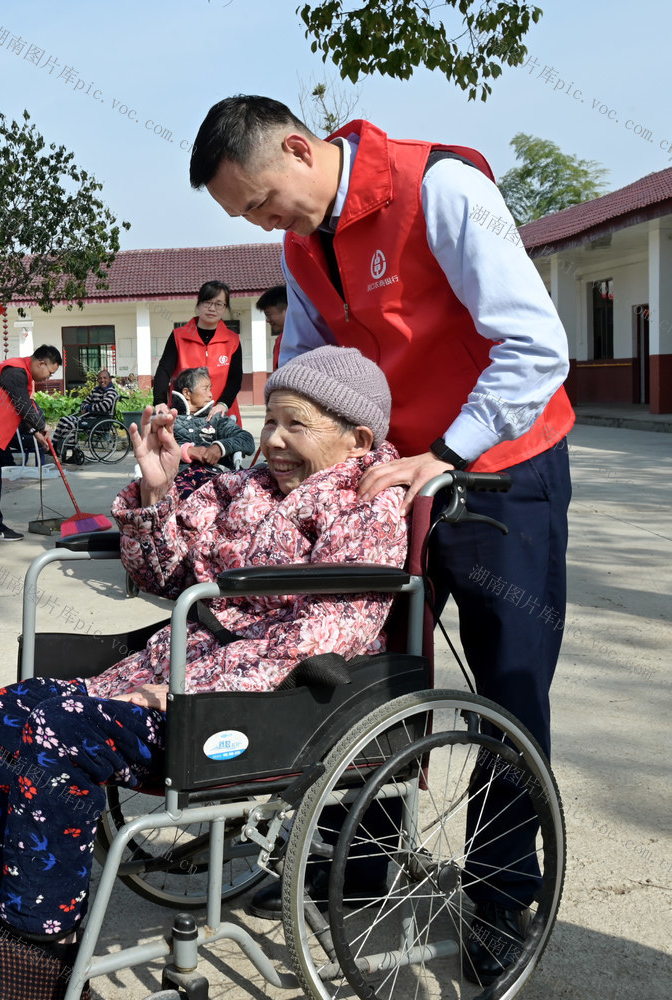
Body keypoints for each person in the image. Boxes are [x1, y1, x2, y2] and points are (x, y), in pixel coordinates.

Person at [0, 346, 407, 1000]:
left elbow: (328, 631)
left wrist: (194, 689)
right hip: (177, 668)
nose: (271, 440)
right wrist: (159, 492)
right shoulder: (246, 489)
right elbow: (159, 576)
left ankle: (38, 951)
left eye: (294, 426)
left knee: (49, 736)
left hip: (248, 707)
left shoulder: (366, 503)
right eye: (268, 421)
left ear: (357, 437)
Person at [189, 95, 574, 985]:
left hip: (499, 467)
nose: (261, 221)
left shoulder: (441, 187)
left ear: (298, 146)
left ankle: (500, 892)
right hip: (391, 474)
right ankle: (356, 860)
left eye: (259, 201)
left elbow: (534, 344)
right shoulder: (301, 243)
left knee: (510, 686)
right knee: (361, 664)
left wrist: (445, 453)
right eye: (244, 215)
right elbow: (313, 375)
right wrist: (267, 455)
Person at [0, 346, 62, 541]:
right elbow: (22, 404)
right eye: (49, 372)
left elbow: (19, 407)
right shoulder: (15, 371)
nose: (48, 378)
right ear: (41, 363)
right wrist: (41, 425)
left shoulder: (20, 372)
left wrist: (36, 432)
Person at [152, 280, 243, 423]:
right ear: (198, 304)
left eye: (219, 304)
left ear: (225, 308)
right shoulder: (179, 336)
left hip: (221, 414)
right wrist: (159, 401)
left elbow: (235, 378)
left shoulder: (232, 340)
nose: (212, 308)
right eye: (207, 302)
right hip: (184, 417)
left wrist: (223, 403)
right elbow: (164, 370)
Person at [169, 366, 255, 497]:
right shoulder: (170, 419)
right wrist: (185, 451)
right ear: (186, 393)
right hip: (177, 477)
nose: (211, 394)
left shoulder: (215, 419)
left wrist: (219, 448)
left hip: (214, 477)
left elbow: (247, 440)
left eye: (210, 388)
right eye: (205, 388)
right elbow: (154, 448)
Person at [51, 369, 119, 460]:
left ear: (110, 379)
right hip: (88, 418)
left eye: (105, 378)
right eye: (100, 378)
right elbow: (84, 402)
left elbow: (104, 406)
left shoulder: (111, 391)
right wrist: (85, 407)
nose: (102, 380)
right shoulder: (95, 390)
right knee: (64, 420)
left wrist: (88, 408)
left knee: (70, 425)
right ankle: (55, 447)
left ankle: (67, 449)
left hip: (98, 420)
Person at [255, 284, 288, 369]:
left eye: (268, 314)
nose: (267, 320)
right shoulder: (280, 340)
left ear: (287, 310)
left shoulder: (302, 342)